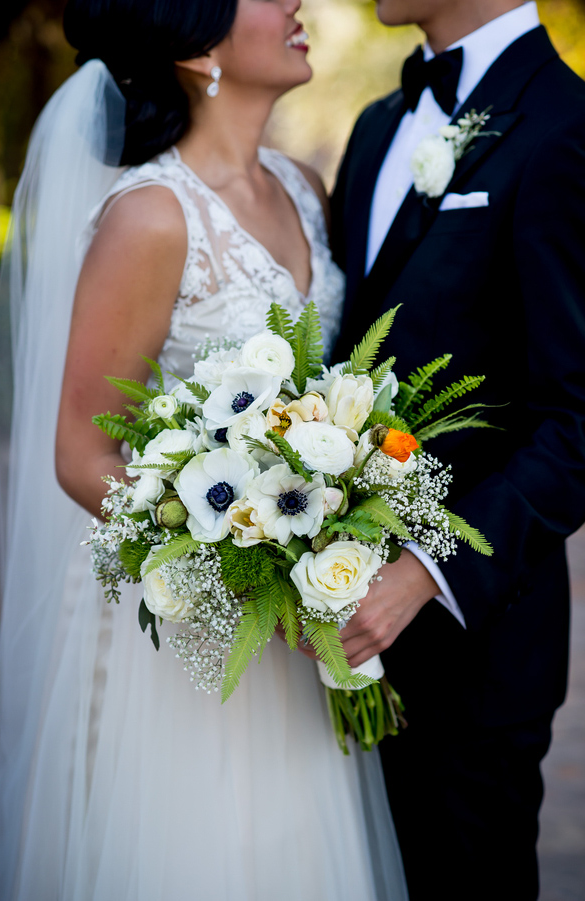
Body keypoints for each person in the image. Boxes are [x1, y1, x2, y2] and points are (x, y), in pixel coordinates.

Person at [0, 1, 409, 899]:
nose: (296, 3)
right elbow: (76, 451)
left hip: (298, 634)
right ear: (196, 45)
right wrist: (246, 568)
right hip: (190, 637)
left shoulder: (303, 187)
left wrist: (323, 543)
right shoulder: (150, 216)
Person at [328, 1, 585, 898]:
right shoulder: (373, 132)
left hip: (479, 662)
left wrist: (423, 572)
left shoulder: (565, 127)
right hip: (339, 643)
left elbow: (577, 421)